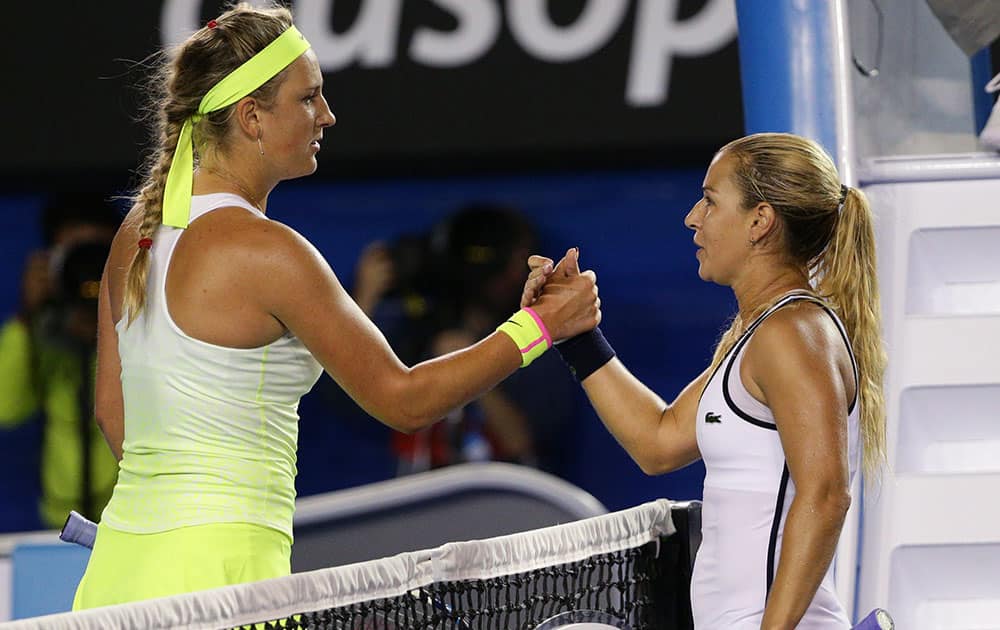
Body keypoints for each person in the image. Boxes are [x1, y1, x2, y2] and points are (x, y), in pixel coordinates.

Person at [74, 3, 600, 610]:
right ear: (251, 117)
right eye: (308, 98)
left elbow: (116, 417)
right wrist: (539, 327)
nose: (328, 114)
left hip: (117, 576)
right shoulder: (271, 253)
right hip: (222, 581)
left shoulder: (136, 231)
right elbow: (405, 401)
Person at [525, 132, 887, 628]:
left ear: (759, 221)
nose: (692, 217)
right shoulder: (762, 332)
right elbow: (658, 441)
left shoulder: (792, 332)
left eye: (711, 201)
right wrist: (576, 336)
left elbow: (825, 495)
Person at [350, 204, 577, 473]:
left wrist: (470, 364)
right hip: (414, 499)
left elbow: (523, 443)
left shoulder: (538, 338)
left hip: (506, 501)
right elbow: (350, 399)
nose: (514, 273)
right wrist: (363, 301)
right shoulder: (419, 333)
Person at [0, 194, 120, 529]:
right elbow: (5, 410)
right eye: (72, 256)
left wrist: (113, 324)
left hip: (134, 515)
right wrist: (27, 314)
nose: (86, 272)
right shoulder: (39, 334)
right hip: (61, 522)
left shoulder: (143, 328)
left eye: (95, 256)